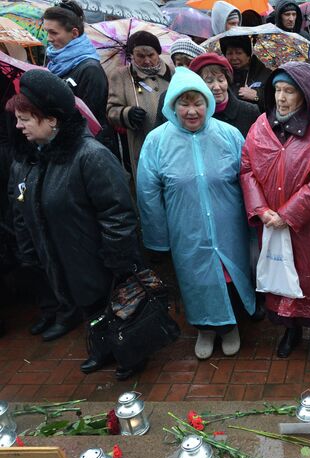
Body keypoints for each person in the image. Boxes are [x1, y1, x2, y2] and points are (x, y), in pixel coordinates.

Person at [7, 69, 142, 377]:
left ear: (51, 119)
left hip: (98, 265)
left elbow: (118, 214)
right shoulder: (37, 158)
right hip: (67, 263)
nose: (18, 126)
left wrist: (117, 263)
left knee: (113, 311)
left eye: (25, 119)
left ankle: (131, 354)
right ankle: (103, 349)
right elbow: (28, 209)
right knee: (90, 312)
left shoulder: (90, 156)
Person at [137, 67, 255, 360]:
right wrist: (158, 237)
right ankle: (204, 329)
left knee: (229, 276)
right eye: (184, 103)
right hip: (185, 228)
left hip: (230, 226)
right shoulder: (156, 141)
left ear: (208, 103)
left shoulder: (229, 135)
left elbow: (249, 179)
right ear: (172, 106)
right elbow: (148, 193)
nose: (191, 111)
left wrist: (254, 222)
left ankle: (229, 327)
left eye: (197, 102)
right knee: (195, 279)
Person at [240, 62, 310, 363]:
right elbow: (247, 170)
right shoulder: (261, 126)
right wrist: (261, 209)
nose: (282, 98)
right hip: (271, 221)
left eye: (290, 91)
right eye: (278, 90)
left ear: (305, 94)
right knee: (280, 274)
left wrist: (290, 212)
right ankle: (290, 329)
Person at [106, 30, 174, 179]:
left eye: (151, 55)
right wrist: (127, 114)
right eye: (141, 56)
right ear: (132, 55)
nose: (147, 61)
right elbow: (111, 111)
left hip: (172, 144)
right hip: (141, 143)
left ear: (158, 53)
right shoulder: (121, 76)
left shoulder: (172, 72)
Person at [42, 1, 108, 128]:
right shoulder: (54, 60)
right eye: (47, 32)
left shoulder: (91, 70)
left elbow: (88, 118)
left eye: (54, 33)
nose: (48, 39)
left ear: (74, 33)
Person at [220, 35, 271, 110]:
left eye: (239, 53)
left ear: (248, 55)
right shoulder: (222, 75)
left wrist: (257, 96)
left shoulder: (265, 74)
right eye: (230, 53)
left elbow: (274, 102)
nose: (234, 58)